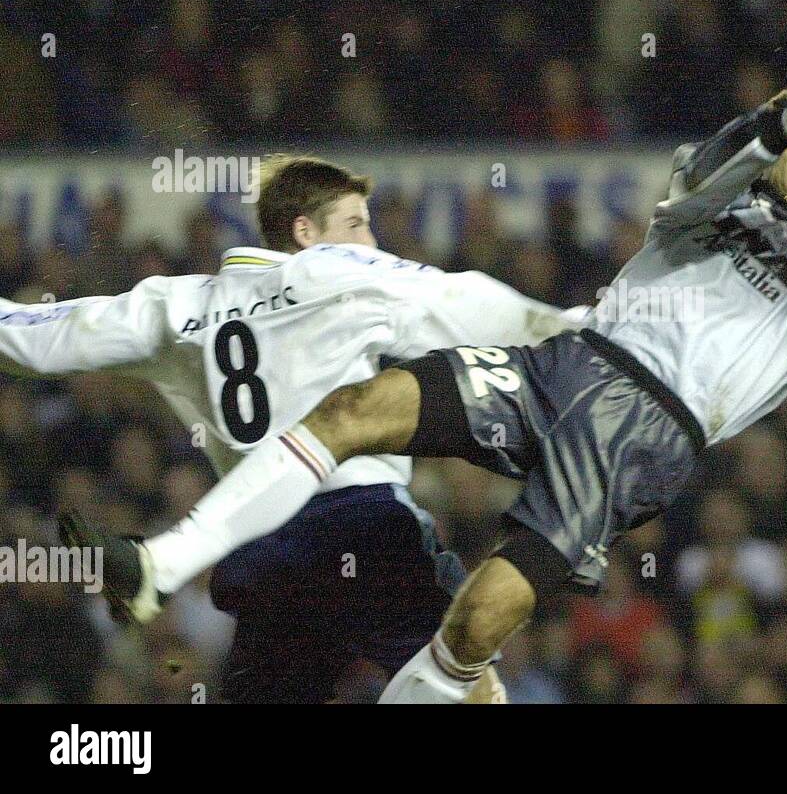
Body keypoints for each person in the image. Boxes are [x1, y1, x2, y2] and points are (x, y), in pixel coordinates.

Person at [69, 54, 787, 704]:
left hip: (642, 433)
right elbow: (706, 172)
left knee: (473, 625)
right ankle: (162, 561)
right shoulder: (718, 199)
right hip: (566, 367)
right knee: (359, 406)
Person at [3, 155, 580, 702]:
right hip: (364, 526)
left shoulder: (171, 305)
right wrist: (586, 334)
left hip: (261, 550)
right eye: (356, 223)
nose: (371, 241)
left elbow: (32, 337)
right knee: (464, 668)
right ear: (305, 232)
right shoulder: (343, 275)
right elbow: (470, 301)